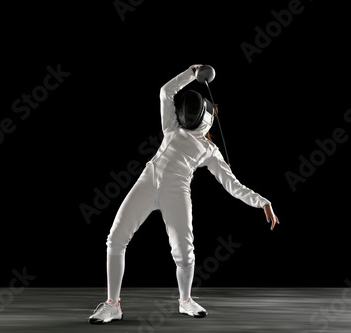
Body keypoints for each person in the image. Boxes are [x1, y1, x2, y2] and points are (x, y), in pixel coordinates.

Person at [88, 64, 279, 324]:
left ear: (207, 118)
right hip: (147, 180)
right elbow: (166, 92)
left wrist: (262, 202)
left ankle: (185, 300)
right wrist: (192, 72)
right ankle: (112, 305)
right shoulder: (173, 126)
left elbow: (232, 185)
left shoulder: (209, 150)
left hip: (176, 191)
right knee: (115, 239)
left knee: (184, 252)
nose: (189, 113)